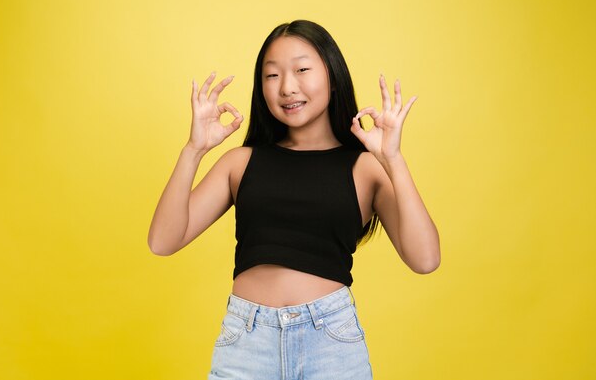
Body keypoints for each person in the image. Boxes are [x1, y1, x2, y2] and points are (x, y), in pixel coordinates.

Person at [148, 20, 440, 379]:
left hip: (331, 343)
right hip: (246, 342)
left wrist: (392, 159)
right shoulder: (241, 162)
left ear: (332, 77)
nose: (287, 87)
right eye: (272, 76)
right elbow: (163, 241)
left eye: (302, 69)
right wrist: (194, 149)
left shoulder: (366, 169)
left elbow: (425, 259)